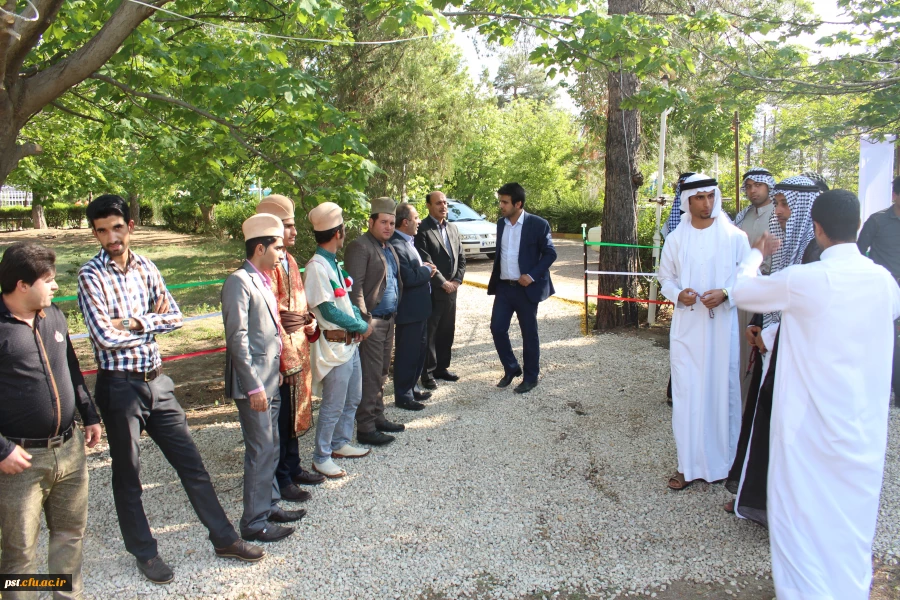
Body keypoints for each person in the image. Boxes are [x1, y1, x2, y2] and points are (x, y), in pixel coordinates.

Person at [77, 194, 262, 584]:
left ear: (130, 224)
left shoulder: (147, 266)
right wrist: (144, 323)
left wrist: (133, 323)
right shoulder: (89, 276)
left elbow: (176, 316)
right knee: (128, 475)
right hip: (120, 388)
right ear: (95, 233)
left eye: (116, 227)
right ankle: (145, 553)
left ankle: (224, 538)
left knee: (192, 465)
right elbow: (103, 337)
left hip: (157, 383)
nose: (110, 237)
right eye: (101, 231)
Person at [732, 189, 900, 600]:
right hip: (861, 429)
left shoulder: (804, 279)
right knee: (850, 521)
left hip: (808, 429)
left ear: (817, 229)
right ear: (859, 227)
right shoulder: (885, 282)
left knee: (799, 518)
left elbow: (740, 291)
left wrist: (754, 254)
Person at [0, 243, 102, 600]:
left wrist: (90, 415)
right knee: (19, 553)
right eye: (48, 280)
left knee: (69, 536)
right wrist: (2, 450)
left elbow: (71, 367)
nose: (55, 286)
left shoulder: (53, 315)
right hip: (19, 462)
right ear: (21, 285)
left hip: (70, 450)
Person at [725, 175, 822, 520]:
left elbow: (804, 310)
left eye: (783, 204)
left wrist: (769, 335)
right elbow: (774, 296)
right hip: (775, 347)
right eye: (778, 203)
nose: (778, 212)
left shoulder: (813, 253)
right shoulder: (798, 246)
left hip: (795, 359)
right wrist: (758, 325)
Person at [658, 174, 750, 490]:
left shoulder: (735, 237)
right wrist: (677, 294)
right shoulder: (676, 239)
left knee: (720, 392)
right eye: (699, 198)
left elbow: (746, 277)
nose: (706, 203)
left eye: (711, 196)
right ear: (688, 201)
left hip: (721, 329)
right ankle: (688, 465)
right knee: (687, 394)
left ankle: (724, 464)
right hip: (687, 328)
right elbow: (665, 277)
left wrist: (726, 292)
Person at [222, 213, 306, 544]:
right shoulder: (238, 282)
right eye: (278, 248)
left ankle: (269, 505)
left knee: (270, 448)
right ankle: (254, 522)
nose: (282, 255)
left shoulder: (262, 279)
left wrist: (278, 372)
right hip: (254, 385)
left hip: (270, 380)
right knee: (260, 450)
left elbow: (268, 334)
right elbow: (238, 340)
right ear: (260, 248)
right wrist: (255, 385)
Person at [255, 195, 325, 500]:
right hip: (282, 351)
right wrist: (283, 360)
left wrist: (310, 321)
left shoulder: (291, 259)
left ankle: (294, 465)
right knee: (281, 417)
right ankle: (281, 477)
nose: (294, 232)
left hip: (299, 344)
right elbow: (272, 316)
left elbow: (298, 303)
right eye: (288, 226)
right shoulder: (267, 266)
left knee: (297, 408)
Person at [303, 202, 372, 478]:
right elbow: (326, 310)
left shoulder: (332, 263)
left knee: (352, 397)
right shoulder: (317, 266)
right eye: (343, 229)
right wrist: (360, 325)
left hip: (349, 343)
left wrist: (357, 319)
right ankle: (321, 456)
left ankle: (340, 443)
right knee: (333, 404)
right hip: (334, 346)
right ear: (338, 233)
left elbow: (343, 301)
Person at [344, 197, 407, 445]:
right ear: (370, 221)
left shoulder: (387, 246)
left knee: (381, 373)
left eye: (392, 223)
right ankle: (366, 427)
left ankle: (378, 416)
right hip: (372, 323)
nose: (389, 227)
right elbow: (354, 288)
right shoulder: (360, 246)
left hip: (389, 320)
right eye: (383, 222)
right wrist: (363, 321)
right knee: (370, 376)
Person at [487, 182, 558, 394]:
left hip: (525, 289)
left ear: (518, 203)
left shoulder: (538, 224)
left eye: (505, 202)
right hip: (504, 288)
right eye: (500, 201)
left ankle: (531, 377)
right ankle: (511, 367)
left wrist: (532, 275)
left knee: (529, 333)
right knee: (497, 328)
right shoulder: (501, 224)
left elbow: (550, 254)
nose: (501, 205)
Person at [389, 202, 437, 411]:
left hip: (420, 309)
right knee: (407, 353)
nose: (419, 221)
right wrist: (427, 271)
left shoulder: (408, 242)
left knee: (419, 351)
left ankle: (412, 387)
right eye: (416, 218)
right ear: (405, 221)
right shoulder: (396, 245)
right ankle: (403, 395)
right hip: (409, 311)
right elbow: (407, 277)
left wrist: (424, 268)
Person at [415, 191, 466, 389]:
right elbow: (424, 259)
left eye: (445, 203)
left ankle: (442, 368)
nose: (443, 206)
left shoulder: (453, 228)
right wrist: (443, 282)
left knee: (447, 329)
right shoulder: (423, 229)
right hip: (433, 290)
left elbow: (461, 257)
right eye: (438, 203)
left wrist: (457, 281)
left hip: (452, 289)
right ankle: (427, 373)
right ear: (428, 205)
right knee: (431, 332)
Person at [857, 175, 900, 405]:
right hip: (884, 288)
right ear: (895, 195)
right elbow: (859, 252)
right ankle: (884, 389)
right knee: (886, 340)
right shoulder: (877, 220)